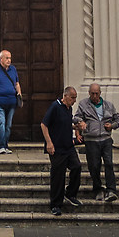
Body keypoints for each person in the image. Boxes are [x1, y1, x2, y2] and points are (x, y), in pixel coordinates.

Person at [74, 81, 119, 203]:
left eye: (96, 93)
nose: (94, 96)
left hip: (106, 139)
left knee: (109, 164)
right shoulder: (83, 104)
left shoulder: (108, 105)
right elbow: (76, 117)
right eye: (92, 94)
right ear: (89, 93)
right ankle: (98, 189)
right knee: (94, 165)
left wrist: (112, 125)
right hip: (91, 140)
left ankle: (111, 190)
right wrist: (81, 122)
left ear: (100, 93)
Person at [39, 84, 82, 215]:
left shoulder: (68, 109)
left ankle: (70, 194)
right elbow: (44, 125)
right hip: (57, 147)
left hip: (68, 146)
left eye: (75, 98)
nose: (74, 101)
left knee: (77, 167)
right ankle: (56, 204)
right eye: (73, 98)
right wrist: (49, 143)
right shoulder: (55, 107)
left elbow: (65, 124)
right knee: (58, 176)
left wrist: (77, 129)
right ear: (65, 96)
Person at [0, 49, 21, 152]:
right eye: (7, 58)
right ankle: (1, 146)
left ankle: (5, 145)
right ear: (1, 59)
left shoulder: (13, 69)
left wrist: (20, 95)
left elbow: (17, 83)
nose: (9, 60)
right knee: (1, 122)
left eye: (10, 58)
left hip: (11, 102)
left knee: (8, 125)